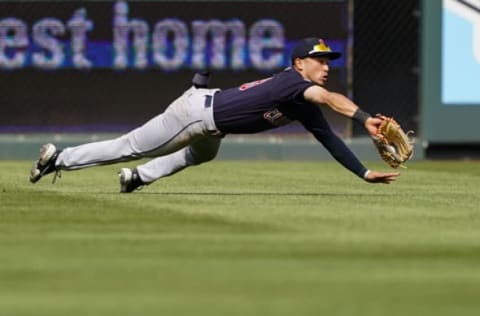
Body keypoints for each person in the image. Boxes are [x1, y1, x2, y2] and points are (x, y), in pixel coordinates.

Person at [29, 37, 400, 193]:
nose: (325, 65)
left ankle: (137, 179)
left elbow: (330, 139)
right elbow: (332, 98)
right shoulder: (293, 83)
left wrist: (363, 173)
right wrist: (365, 117)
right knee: (131, 145)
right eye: (319, 60)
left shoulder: (302, 100)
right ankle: (58, 158)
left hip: (210, 120)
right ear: (299, 63)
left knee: (199, 154)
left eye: (328, 60)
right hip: (195, 115)